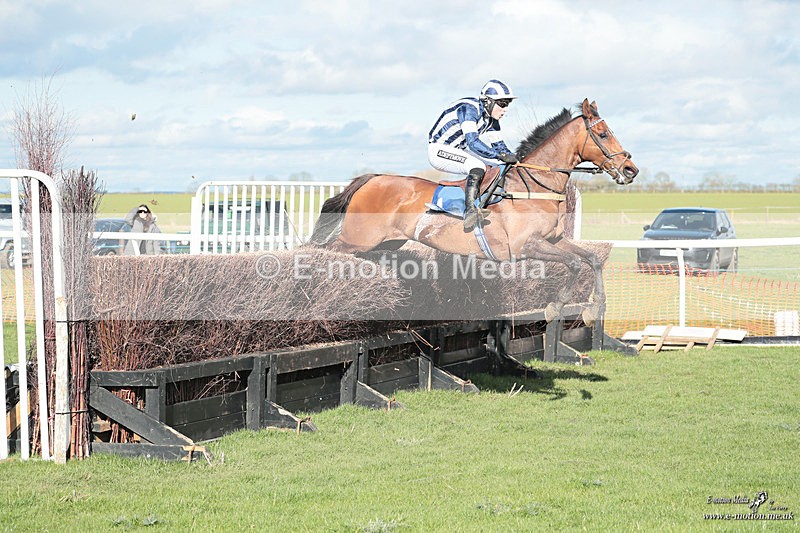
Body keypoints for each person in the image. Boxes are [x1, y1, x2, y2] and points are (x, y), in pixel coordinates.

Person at [428, 79, 519, 229]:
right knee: (477, 165)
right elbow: (473, 142)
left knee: (498, 164)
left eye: (507, 104)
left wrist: (515, 159)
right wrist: (500, 155)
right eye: (502, 104)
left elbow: (499, 147)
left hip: (459, 149)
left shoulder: (491, 119)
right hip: (439, 149)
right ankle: (470, 211)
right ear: (488, 102)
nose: (505, 109)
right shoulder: (469, 109)